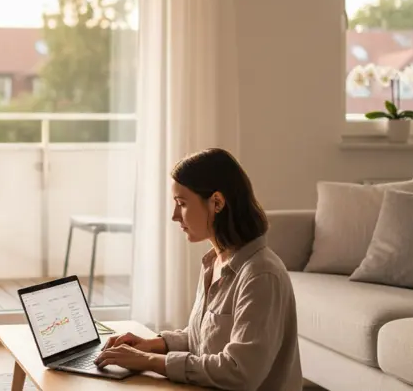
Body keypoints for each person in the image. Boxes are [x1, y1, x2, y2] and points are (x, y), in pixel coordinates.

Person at [94, 148, 302, 390]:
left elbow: (240, 372)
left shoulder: (261, 275)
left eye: (181, 203)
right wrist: (152, 345)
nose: (174, 215)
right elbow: (204, 340)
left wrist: (149, 361)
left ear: (217, 202)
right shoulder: (214, 262)